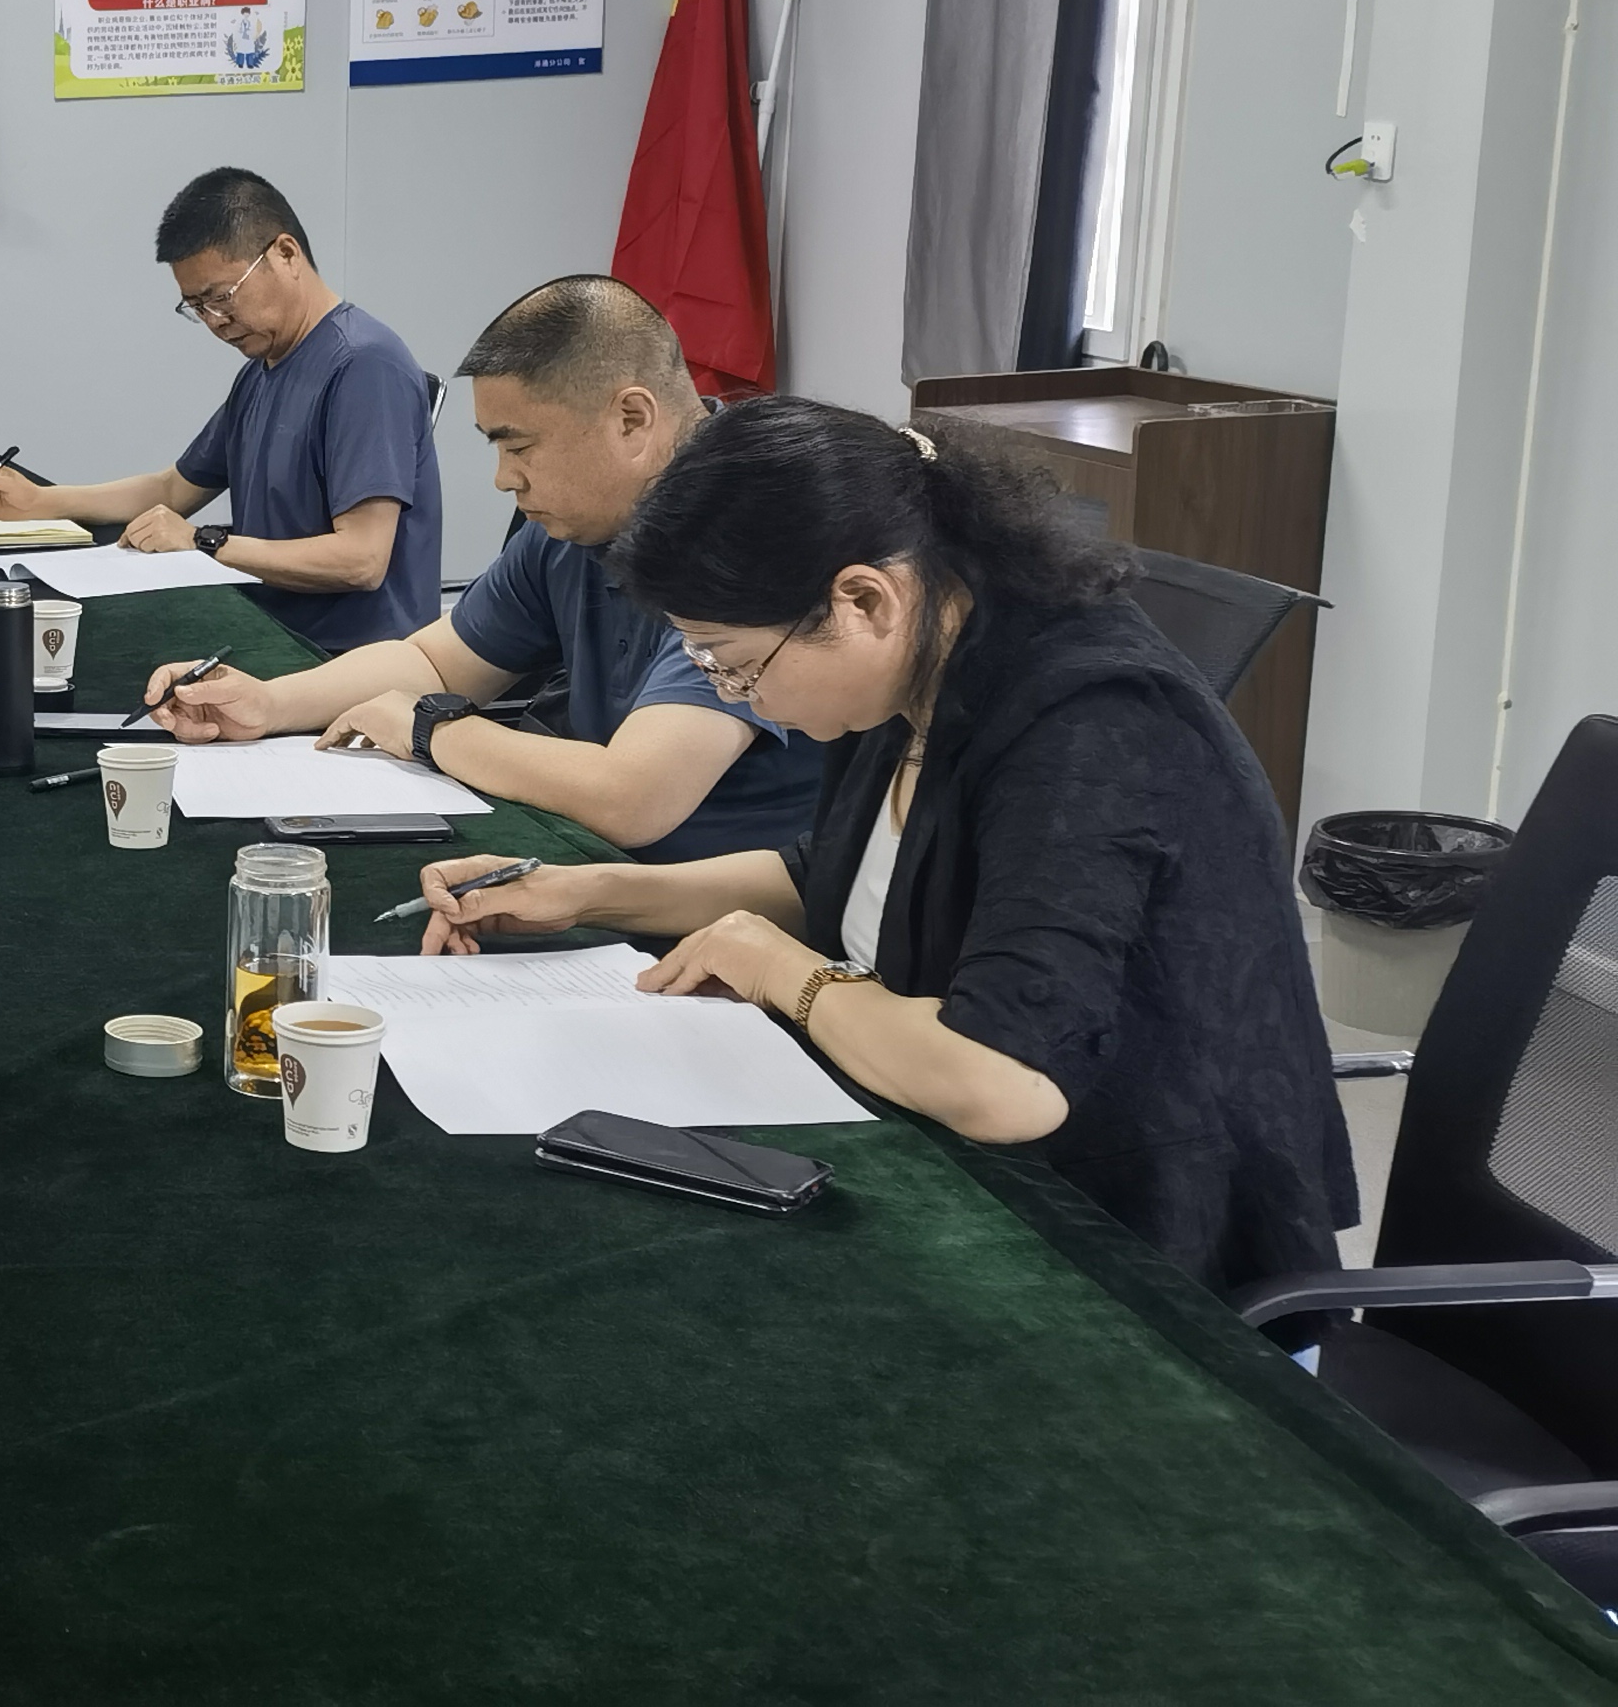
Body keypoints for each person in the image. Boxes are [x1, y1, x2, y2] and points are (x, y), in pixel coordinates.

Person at [415, 398, 1354, 1296]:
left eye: (734, 664)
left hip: (1129, 1237)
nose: (737, 694)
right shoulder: (920, 657)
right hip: (942, 1157)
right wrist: (584, 892)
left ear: (864, 598)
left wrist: (788, 973)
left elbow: (1003, 1083)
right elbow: (826, 874)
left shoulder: (1091, 724)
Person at [141, 275, 823, 862]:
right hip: (596, 868)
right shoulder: (577, 524)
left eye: (518, 447)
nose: (503, 479)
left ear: (631, 420)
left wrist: (429, 730)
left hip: (714, 911)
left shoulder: (750, 525)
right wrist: (267, 704)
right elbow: (435, 663)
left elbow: (634, 796)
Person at [0, 167, 444, 653]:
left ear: (286, 254)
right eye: (196, 306)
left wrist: (204, 542)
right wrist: (39, 501)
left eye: (222, 297)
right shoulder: (262, 371)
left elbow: (361, 560)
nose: (216, 321)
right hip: (271, 631)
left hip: (346, 659)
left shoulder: (364, 366)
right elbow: (172, 489)